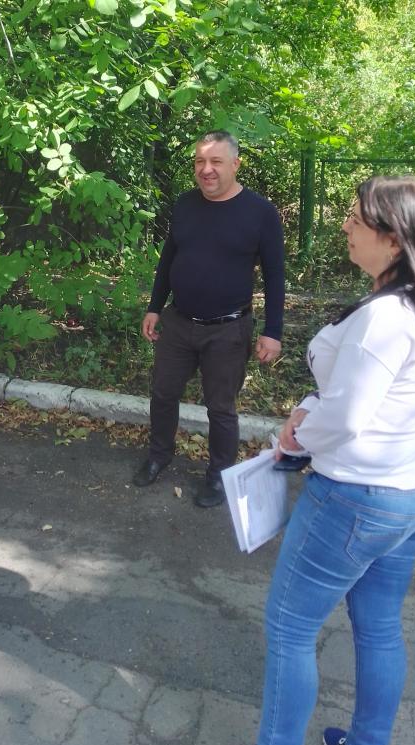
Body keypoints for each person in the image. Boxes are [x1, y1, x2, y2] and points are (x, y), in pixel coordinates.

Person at [200, 175, 415, 745]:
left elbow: (346, 420)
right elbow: (383, 400)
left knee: (290, 630)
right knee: (378, 626)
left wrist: (293, 439)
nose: (345, 225)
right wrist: (317, 410)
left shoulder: (386, 320)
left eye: (356, 219)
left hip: (356, 501)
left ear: (394, 240)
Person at [133, 131, 285, 507]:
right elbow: (168, 260)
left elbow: (275, 276)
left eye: (216, 162)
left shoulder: (260, 213)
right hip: (179, 322)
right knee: (163, 394)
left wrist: (273, 331)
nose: (206, 170)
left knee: (221, 408)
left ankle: (218, 476)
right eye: (200, 162)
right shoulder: (184, 205)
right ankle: (158, 455)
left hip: (228, 328)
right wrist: (155, 305)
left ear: (235, 164)